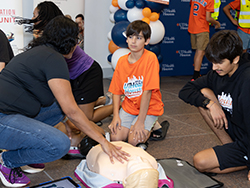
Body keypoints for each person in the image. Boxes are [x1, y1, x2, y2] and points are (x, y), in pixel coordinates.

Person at [0, 16, 129, 187]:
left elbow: (66, 106)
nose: (77, 44)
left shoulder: (42, 52)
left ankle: (23, 153)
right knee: (59, 144)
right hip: (3, 119)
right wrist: (103, 141)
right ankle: (7, 161)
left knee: (57, 108)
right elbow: (73, 112)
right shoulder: (54, 59)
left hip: (10, 114)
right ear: (68, 41)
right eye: (77, 39)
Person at [30, 1, 113, 158]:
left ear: (44, 16)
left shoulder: (59, 34)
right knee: (73, 114)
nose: (32, 18)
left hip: (86, 73)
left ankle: (117, 106)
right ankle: (100, 101)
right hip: (71, 76)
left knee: (85, 118)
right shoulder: (48, 34)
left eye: (35, 15)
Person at [178, 30, 250, 180]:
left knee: (201, 162)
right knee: (204, 93)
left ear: (235, 59)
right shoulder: (217, 73)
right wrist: (210, 104)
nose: (214, 67)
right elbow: (185, 91)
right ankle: (234, 151)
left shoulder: (246, 79)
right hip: (237, 134)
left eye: (219, 62)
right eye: (212, 62)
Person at [108, 20, 164, 148]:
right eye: (130, 37)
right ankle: (150, 125)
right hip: (130, 106)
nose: (133, 41)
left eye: (138, 38)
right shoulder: (122, 61)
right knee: (115, 138)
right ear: (126, 39)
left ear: (147, 41)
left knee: (134, 140)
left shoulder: (150, 59)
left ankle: (153, 124)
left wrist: (140, 121)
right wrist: (115, 116)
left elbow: (147, 91)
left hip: (149, 107)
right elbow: (116, 91)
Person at [75, 141, 174, 188]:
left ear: (125, 182)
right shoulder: (152, 162)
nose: (139, 159)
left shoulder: (108, 171)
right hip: (108, 147)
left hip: (101, 149)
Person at [188, 0, 221, 81]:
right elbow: (208, 18)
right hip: (202, 28)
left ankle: (196, 74)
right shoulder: (210, 0)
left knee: (198, 51)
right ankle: (195, 76)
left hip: (192, 27)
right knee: (201, 52)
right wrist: (217, 23)